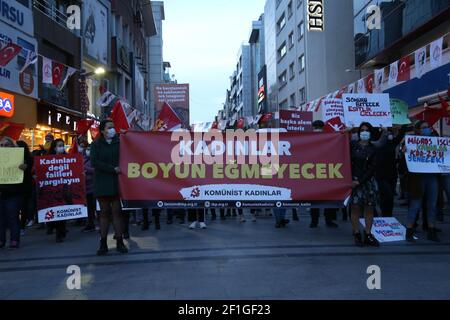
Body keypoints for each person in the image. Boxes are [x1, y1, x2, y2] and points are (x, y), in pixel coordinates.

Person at [90, 120, 128, 255]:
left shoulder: (120, 142)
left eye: (113, 127)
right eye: (109, 127)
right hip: (102, 183)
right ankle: (103, 243)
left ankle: (120, 241)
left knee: (117, 213)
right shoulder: (96, 144)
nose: (112, 129)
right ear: (102, 130)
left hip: (118, 183)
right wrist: (112, 169)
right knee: (104, 214)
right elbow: (95, 162)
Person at [404, 121, 440, 242]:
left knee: (432, 205)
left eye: (428, 127)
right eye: (423, 128)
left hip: (432, 177)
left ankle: (431, 230)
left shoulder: (436, 141)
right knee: (415, 205)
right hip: (417, 179)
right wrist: (404, 151)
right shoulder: (412, 142)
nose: (427, 129)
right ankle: (409, 231)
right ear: (418, 130)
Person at [349, 122, 380, 247]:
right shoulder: (352, 146)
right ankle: (356, 233)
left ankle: (368, 234)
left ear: (370, 133)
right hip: (354, 182)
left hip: (368, 183)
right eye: (362, 130)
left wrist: (360, 181)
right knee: (355, 208)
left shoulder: (374, 149)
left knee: (369, 209)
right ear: (358, 132)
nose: (364, 132)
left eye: (367, 130)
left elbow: (373, 167)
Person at [0, 137, 28, 249]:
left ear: (12, 146)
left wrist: (24, 168)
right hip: (1, 192)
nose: (3, 147)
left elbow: (26, 178)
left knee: (13, 216)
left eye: (6, 145)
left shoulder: (19, 158)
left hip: (14, 193)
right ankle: (1, 240)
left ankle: (14, 239)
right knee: (0, 218)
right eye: (1, 145)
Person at [310, 120, 338, 228]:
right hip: (318, 171)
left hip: (322, 170)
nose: (317, 129)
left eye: (318, 127)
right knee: (317, 197)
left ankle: (320, 220)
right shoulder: (310, 138)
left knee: (323, 197)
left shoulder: (328, 137)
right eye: (316, 127)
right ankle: (319, 220)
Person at [375, 126, 406, 217]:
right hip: (381, 174)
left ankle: (388, 215)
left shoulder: (393, 143)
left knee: (390, 196)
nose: (388, 135)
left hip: (392, 174)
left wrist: (404, 121)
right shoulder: (376, 143)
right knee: (386, 195)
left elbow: (401, 134)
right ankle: (385, 213)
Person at [45, 139, 71, 243]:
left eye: (62, 145)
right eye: (59, 145)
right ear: (54, 147)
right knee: (53, 212)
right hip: (52, 190)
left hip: (64, 190)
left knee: (62, 212)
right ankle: (53, 227)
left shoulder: (69, 158)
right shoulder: (47, 159)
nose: (61, 147)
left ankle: (60, 232)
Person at [16, 141, 34, 235]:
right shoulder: (11, 157)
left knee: (23, 206)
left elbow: (29, 169)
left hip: (25, 185)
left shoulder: (29, 158)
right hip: (14, 185)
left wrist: (25, 167)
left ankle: (22, 226)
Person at [80, 141, 96, 233]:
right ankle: (90, 224)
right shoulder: (82, 159)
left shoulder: (94, 159)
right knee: (88, 208)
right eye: (87, 149)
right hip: (85, 187)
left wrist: (85, 169)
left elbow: (96, 170)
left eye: (90, 149)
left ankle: (100, 224)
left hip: (93, 187)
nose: (88, 151)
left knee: (95, 207)